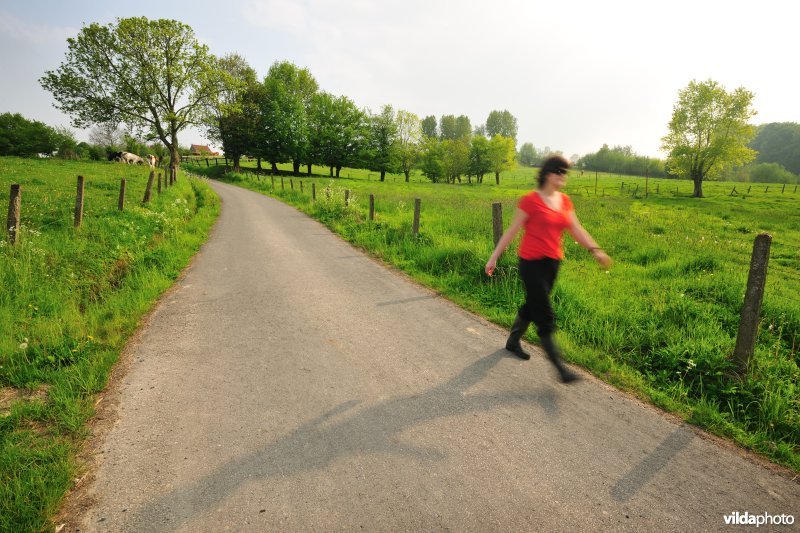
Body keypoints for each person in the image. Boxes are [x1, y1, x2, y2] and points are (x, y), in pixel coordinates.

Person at [485, 155, 612, 383]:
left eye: (565, 172)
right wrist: (494, 257)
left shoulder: (564, 201)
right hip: (530, 263)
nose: (563, 175)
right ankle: (561, 369)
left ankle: (513, 341)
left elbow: (576, 228)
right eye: (559, 171)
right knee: (544, 314)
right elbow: (512, 231)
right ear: (547, 173)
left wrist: (595, 250)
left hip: (552, 264)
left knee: (532, 305)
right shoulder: (530, 201)